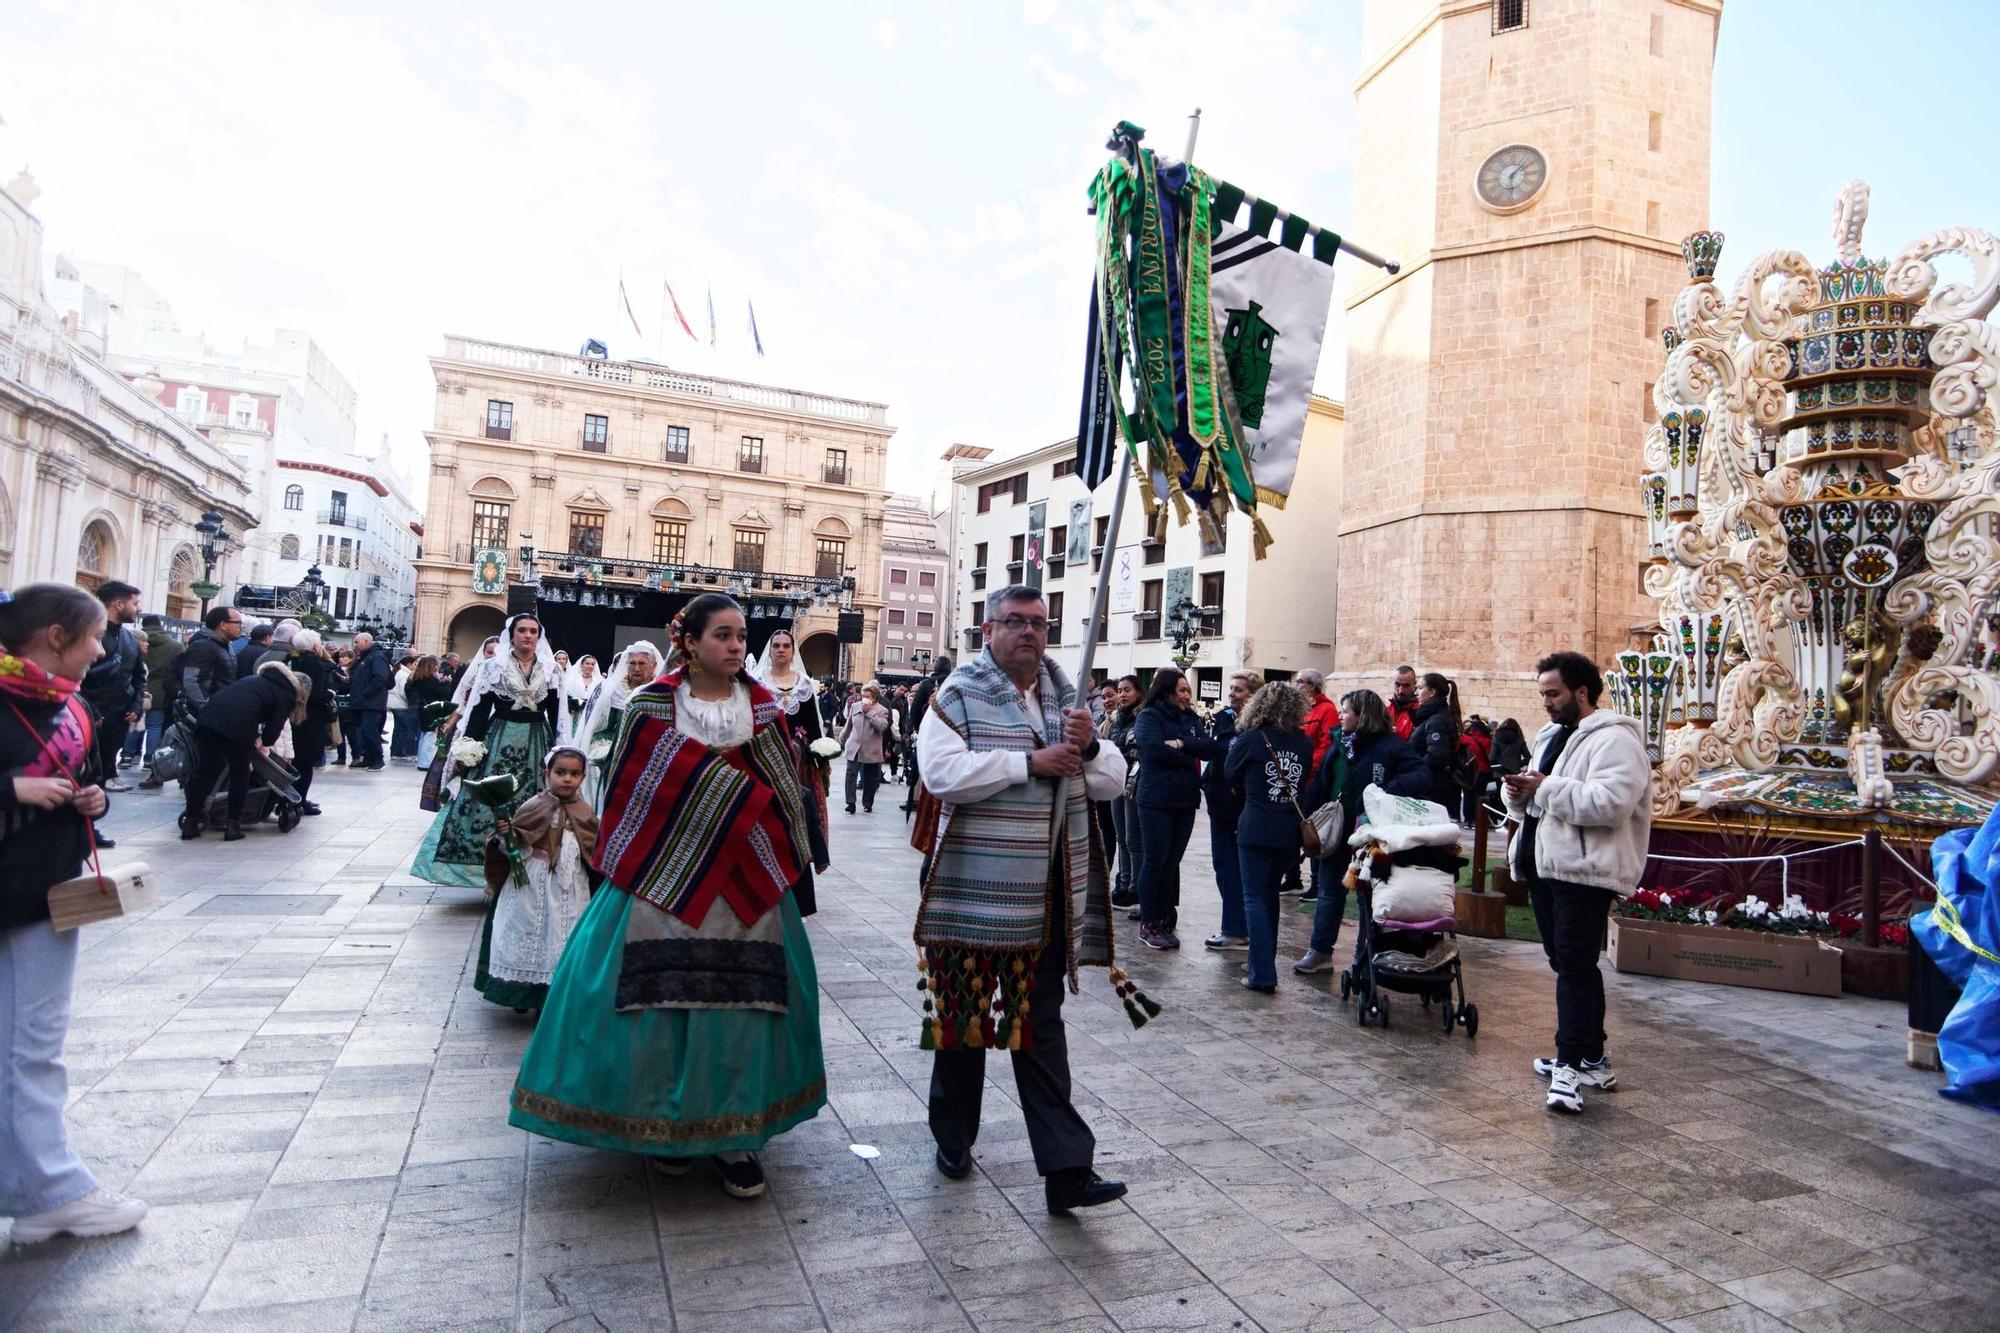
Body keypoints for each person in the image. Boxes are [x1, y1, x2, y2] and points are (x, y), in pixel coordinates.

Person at [509, 594, 828, 1200]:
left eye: (741, 636)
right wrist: (723, 798)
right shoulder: (653, 704)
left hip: (742, 877)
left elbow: (782, 787)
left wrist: (749, 815)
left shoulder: (762, 708)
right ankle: (661, 1126)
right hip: (663, 869)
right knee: (654, 998)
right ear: (691, 642)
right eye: (724, 635)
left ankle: (733, 1133)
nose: (737, 646)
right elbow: (633, 788)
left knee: (744, 1002)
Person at [914, 585, 1132, 1214]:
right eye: (1015, 622)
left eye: (1039, 622)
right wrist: (1028, 764)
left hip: (1046, 897)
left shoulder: (1071, 697)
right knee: (963, 1024)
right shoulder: (956, 694)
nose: (1029, 632)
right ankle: (952, 1137)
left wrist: (1086, 748)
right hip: (971, 895)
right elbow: (942, 775)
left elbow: (1112, 779)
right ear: (989, 631)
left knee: (1040, 1028)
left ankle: (1067, 1171)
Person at [0, 584, 149, 1243]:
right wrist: (12, 788)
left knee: (31, 1039)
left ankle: (35, 1184)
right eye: (92, 636)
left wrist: (90, 800)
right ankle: (49, 1190)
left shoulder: (72, 706)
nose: (102, 647)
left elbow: (84, 775)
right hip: (17, 891)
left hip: (41, 893)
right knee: (30, 1046)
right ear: (54, 637)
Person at [1504, 651, 1652, 1115]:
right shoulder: (1551, 736)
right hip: (1546, 867)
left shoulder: (1615, 740)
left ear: (1581, 692)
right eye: (1542, 693)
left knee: (1574, 967)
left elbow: (1611, 803)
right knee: (1571, 965)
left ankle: (1568, 1069)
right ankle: (1592, 1057)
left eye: (1553, 693)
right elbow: (1540, 797)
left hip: (1584, 874)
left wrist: (1543, 788)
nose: (1546, 702)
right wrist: (1520, 795)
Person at [412, 614, 558, 893]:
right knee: (488, 803)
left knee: (534, 802)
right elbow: (478, 711)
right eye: (522, 631)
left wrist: (557, 750)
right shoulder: (493, 668)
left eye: (533, 631)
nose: (528, 636)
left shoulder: (551, 670)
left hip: (538, 740)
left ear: (539, 637)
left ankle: (532, 869)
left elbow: (556, 712)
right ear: (511, 635)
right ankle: (489, 873)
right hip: (500, 738)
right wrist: (470, 749)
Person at [1294, 690, 1428, 976]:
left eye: (1347, 711)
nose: (1341, 715)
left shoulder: (1391, 746)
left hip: (1371, 834)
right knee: (1330, 891)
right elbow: (1322, 778)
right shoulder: (1339, 741)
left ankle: (1364, 958)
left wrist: (1385, 792)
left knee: (1367, 897)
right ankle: (1320, 951)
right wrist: (1306, 812)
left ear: (1363, 715)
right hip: (1337, 832)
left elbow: (1421, 775)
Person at [483, 746, 598, 1013]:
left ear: (583, 777)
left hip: (570, 884)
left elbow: (594, 848)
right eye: (560, 772)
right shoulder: (534, 805)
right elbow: (513, 841)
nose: (567, 779)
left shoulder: (585, 810)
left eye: (575, 773)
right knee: (528, 929)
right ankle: (521, 993)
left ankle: (553, 991)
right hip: (534, 882)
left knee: (563, 933)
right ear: (547, 774)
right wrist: (506, 834)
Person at [1224, 681, 1314, 993]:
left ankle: (1262, 971)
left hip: (1256, 826)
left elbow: (1229, 772)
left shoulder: (1250, 739)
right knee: (1269, 896)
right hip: (1288, 829)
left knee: (1254, 898)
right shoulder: (1303, 742)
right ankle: (1261, 960)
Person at [1132, 667, 1225, 951]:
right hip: (1157, 800)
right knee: (1155, 861)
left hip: (1185, 799)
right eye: (1183, 690)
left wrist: (1182, 743)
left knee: (1172, 863)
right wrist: (1188, 751)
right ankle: (1150, 922)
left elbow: (1210, 748)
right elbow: (1154, 749)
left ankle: (1166, 916)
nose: (1187, 695)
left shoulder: (1191, 719)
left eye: (1188, 690)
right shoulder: (1149, 717)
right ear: (1168, 690)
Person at [179, 660, 307, 842]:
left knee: (205, 774)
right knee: (240, 774)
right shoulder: (285, 693)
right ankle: (233, 826)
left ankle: (190, 823)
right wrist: (265, 741)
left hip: (207, 721)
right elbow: (274, 729)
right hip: (239, 727)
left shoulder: (251, 681)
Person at [752, 630, 830, 850]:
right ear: (770, 651)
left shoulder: (803, 684)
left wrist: (822, 763)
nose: (781, 650)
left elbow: (814, 728)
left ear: (793, 651)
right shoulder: (757, 683)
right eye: (776, 646)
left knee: (797, 811)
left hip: (798, 761)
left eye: (786, 646)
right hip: (765, 759)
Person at [1201, 671, 1258, 952]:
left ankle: (1236, 928)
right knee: (1222, 867)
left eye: (1239, 690)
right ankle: (1235, 925)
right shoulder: (1224, 719)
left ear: (1252, 695)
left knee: (1235, 867)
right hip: (1218, 801)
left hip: (1240, 805)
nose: (1232, 693)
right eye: (1231, 688)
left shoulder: (1256, 725)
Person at [79, 581, 144, 805]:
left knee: (103, 769)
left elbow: (138, 676)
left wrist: (135, 706)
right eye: (135, 603)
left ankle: (92, 826)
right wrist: (91, 710)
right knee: (86, 772)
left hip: (119, 717)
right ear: (118, 604)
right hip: (90, 716)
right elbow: (77, 677)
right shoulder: (87, 634)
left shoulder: (130, 640)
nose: (139, 608)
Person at [577, 640, 661, 810]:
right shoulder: (611, 690)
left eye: (642, 663)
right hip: (614, 752)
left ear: (653, 666)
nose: (636, 668)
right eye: (632, 663)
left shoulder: (660, 691)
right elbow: (598, 727)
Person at [1292, 670, 1341, 898]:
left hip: (1312, 778)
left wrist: (1306, 766)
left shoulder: (1327, 710)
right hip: (1299, 777)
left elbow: (1326, 745)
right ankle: (1292, 876)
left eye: (1300, 682)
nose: (1297, 684)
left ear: (1312, 685)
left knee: (1313, 829)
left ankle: (1316, 882)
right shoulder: (1301, 709)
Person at [282, 630, 336, 815]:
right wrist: (329, 694)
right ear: (314, 645)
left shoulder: (290, 659)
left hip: (290, 717)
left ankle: (290, 799)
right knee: (305, 763)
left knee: (292, 761)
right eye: (320, 643)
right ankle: (298, 800)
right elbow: (315, 694)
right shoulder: (313, 664)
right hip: (308, 718)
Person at [1106, 675, 1142, 910]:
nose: (1122, 695)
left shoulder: (1141, 718)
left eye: (1127, 690)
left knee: (1133, 840)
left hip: (1133, 782)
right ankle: (1123, 882)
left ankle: (1134, 888)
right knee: (1120, 837)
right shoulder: (1117, 719)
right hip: (1116, 782)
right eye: (1119, 690)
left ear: (1139, 692)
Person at [130, 614, 179, 785]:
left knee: (135, 723)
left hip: (136, 689)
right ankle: (150, 758)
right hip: (160, 691)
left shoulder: (132, 640)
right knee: (154, 725)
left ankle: (127, 756)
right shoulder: (174, 645)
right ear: (161, 625)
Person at [900, 653, 952, 813]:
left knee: (922, 769)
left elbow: (915, 712)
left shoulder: (927, 684)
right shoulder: (955, 683)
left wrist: (919, 730)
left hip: (930, 735)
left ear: (935, 668)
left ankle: (918, 800)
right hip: (950, 736)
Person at [1412, 671, 1464, 813]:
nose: (1416, 692)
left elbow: (1436, 756)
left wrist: (1413, 770)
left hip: (1430, 787)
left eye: (1420, 688)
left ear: (1432, 692)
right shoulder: (1435, 717)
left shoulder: (1437, 720)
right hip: (1431, 784)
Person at [177, 605, 242, 714]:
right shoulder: (202, 646)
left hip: (222, 708)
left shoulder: (226, 645)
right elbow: (191, 680)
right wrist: (206, 708)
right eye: (238, 623)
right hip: (208, 712)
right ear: (223, 625)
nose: (240, 627)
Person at [840, 683, 891, 814]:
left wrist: (870, 712)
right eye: (863, 696)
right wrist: (843, 738)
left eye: (867, 696)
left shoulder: (882, 710)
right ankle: (850, 802)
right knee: (851, 774)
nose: (864, 698)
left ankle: (867, 803)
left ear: (874, 697)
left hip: (872, 748)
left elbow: (882, 726)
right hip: (854, 745)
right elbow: (848, 724)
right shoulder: (856, 706)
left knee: (870, 778)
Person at [345, 631, 391, 771]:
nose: (355, 644)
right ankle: (368, 758)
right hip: (363, 703)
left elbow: (380, 677)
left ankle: (377, 759)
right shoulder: (365, 657)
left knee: (369, 730)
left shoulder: (376, 657)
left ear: (366, 641)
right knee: (363, 731)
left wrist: (365, 694)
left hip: (372, 702)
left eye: (357, 642)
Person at [405, 655, 454, 772]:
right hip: (432, 710)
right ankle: (425, 763)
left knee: (424, 735)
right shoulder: (430, 680)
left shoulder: (417, 678)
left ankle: (422, 760)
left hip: (422, 709)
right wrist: (447, 683)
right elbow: (443, 694)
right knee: (430, 737)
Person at [387, 652, 419, 765]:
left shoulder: (398, 672)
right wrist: (410, 701)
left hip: (395, 704)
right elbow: (404, 691)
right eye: (414, 664)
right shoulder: (404, 674)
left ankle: (395, 752)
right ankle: (402, 752)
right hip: (401, 705)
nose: (415, 666)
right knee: (404, 730)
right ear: (409, 664)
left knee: (398, 730)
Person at [559, 655, 599, 744]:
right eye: (587, 663)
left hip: (590, 714)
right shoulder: (571, 680)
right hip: (573, 713)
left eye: (592, 664)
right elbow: (564, 697)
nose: (590, 666)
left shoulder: (598, 682)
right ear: (581, 665)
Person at [1388, 664, 1420, 741]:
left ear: (1414, 684)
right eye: (1397, 685)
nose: (1401, 690)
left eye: (1406, 686)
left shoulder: (1420, 711)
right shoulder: (1386, 710)